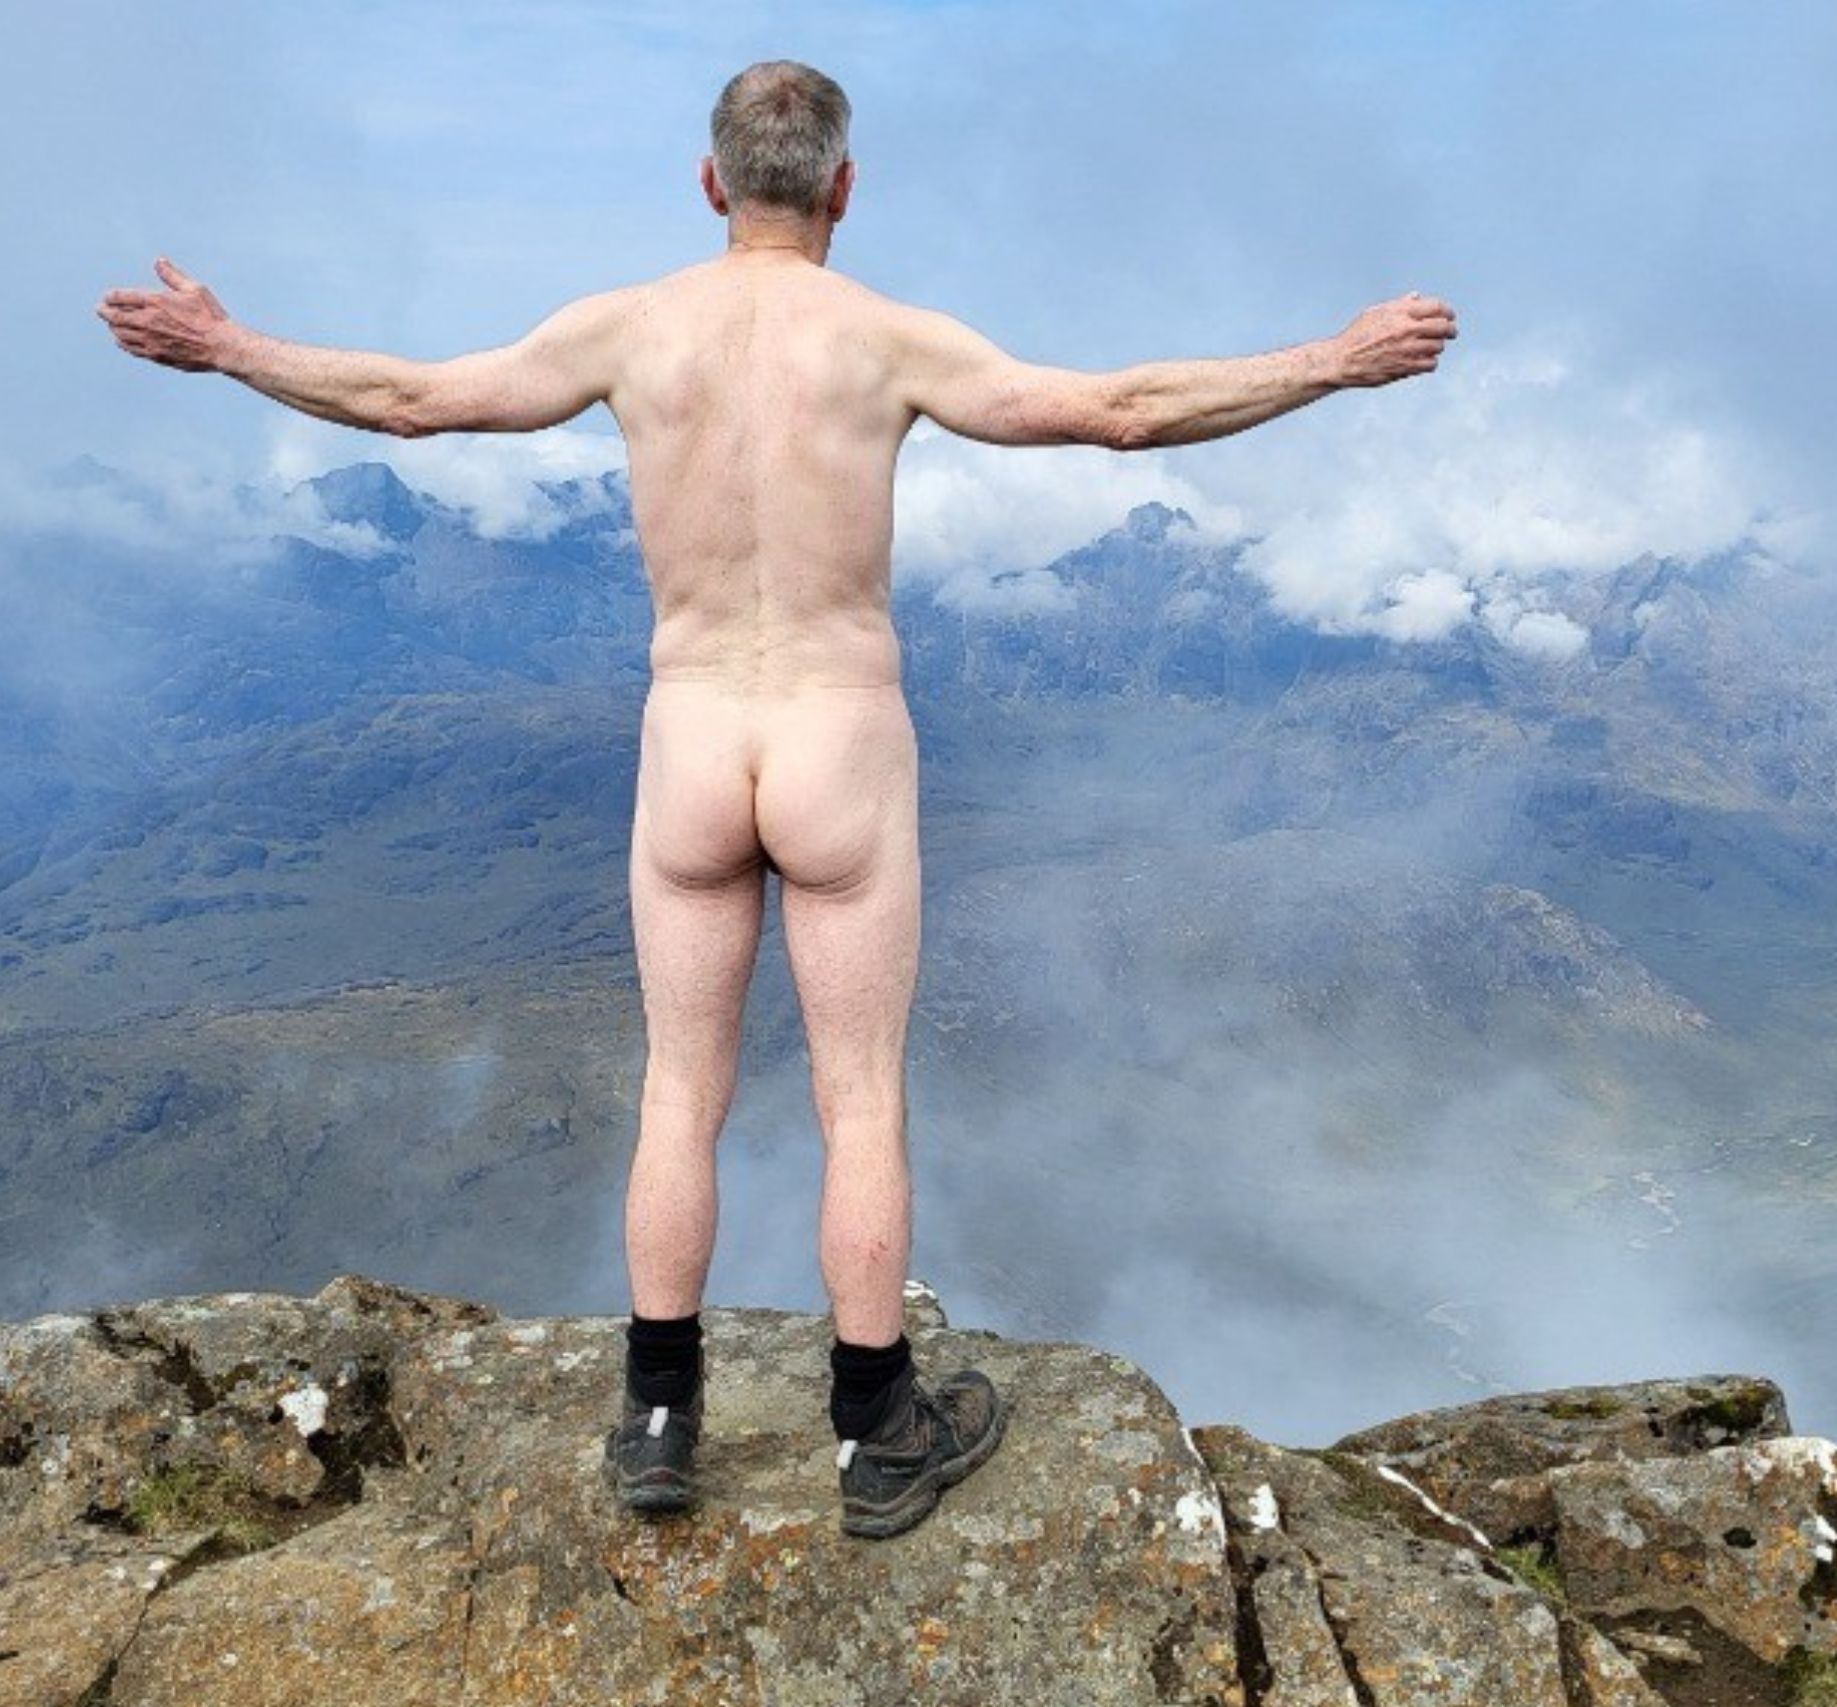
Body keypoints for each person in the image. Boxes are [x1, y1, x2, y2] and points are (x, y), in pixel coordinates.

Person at [95, 58, 1458, 1539]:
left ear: (710, 184)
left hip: (690, 736)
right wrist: (1330, 360)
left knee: (679, 1088)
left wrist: (229, 347)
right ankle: (878, 1425)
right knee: (857, 1092)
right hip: (838, 736)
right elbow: (1118, 413)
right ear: (844, 191)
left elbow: (414, 402)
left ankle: (661, 1419)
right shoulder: (882, 338)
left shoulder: (627, 329)